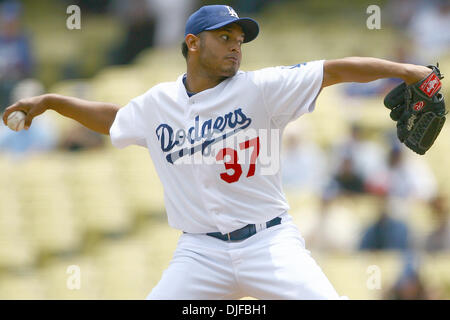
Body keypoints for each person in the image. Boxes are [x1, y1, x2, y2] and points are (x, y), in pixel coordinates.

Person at [1, 5, 437, 299]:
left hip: (268, 242)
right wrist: (54, 101)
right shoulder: (158, 104)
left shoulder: (261, 88)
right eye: (224, 36)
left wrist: (407, 71)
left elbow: (336, 69)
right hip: (200, 253)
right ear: (192, 42)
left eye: (240, 39)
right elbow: (115, 120)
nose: (235, 45)